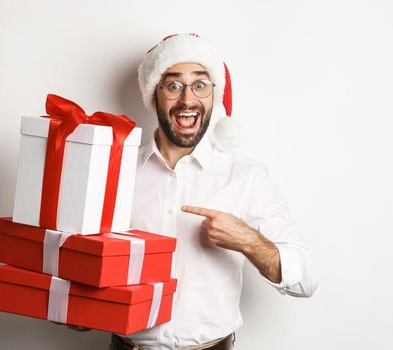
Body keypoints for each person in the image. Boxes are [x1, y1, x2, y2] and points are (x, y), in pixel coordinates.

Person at [103, 33, 318, 350]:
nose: (188, 99)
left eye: (200, 85)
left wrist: (247, 239)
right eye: (174, 85)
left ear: (213, 95)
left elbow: (306, 282)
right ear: (154, 95)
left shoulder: (246, 177)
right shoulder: (115, 171)